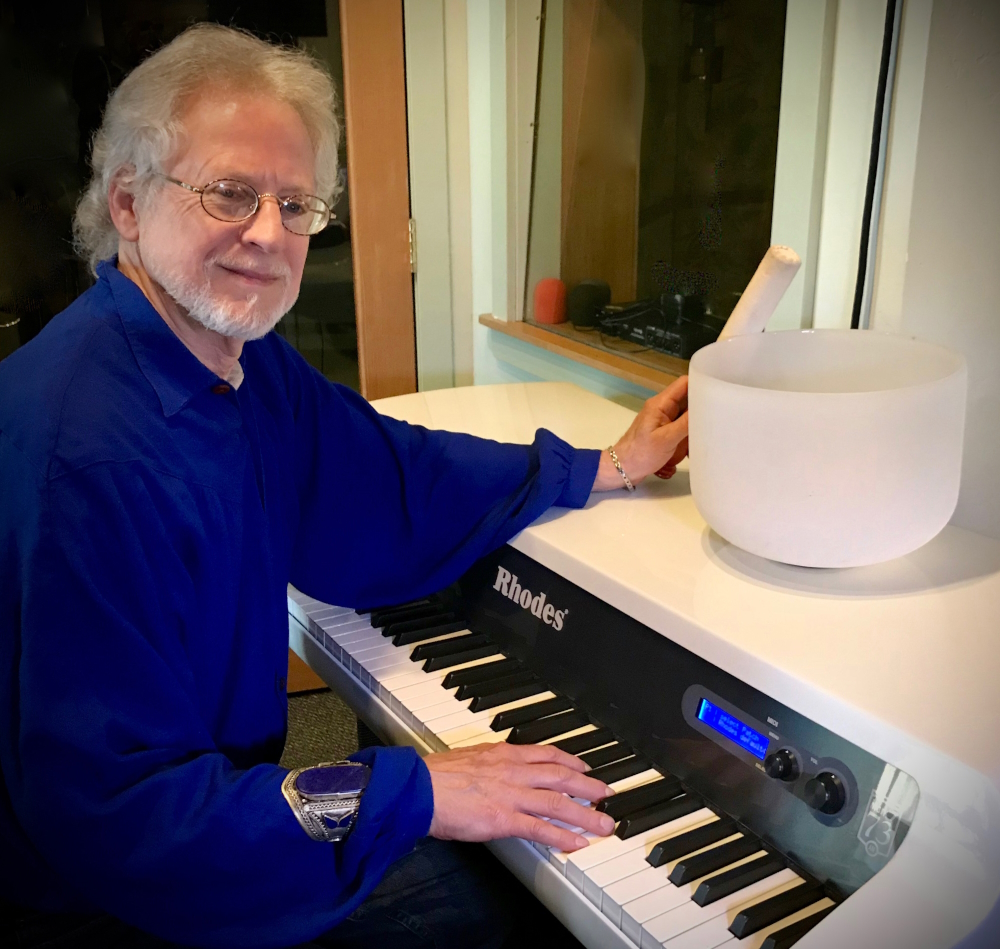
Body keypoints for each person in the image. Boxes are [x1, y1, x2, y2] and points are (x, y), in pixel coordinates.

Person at [0, 23, 690, 949]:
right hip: (115, 899)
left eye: (295, 205)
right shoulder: (89, 454)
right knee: (521, 902)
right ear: (128, 201)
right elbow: (126, 818)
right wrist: (419, 789)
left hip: (180, 833)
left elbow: (388, 469)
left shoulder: (231, 360)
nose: (267, 235)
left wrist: (600, 466)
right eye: (231, 194)